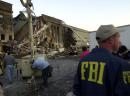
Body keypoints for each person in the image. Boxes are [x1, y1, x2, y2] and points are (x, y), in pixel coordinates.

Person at [73, 24, 130, 96]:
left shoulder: (83, 61)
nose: (119, 41)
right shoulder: (121, 65)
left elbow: (76, 89)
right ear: (111, 40)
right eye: (118, 37)